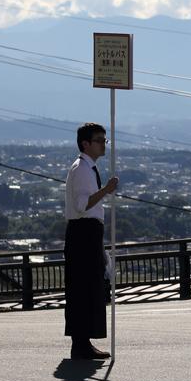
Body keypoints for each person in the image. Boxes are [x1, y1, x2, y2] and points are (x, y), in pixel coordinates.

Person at [63, 122, 119, 360]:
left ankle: (84, 341)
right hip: (83, 232)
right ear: (86, 143)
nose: (103, 144)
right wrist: (106, 190)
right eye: (98, 140)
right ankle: (81, 343)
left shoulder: (88, 168)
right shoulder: (83, 169)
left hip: (88, 232)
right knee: (83, 288)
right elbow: (82, 205)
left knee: (88, 287)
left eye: (104, 140)